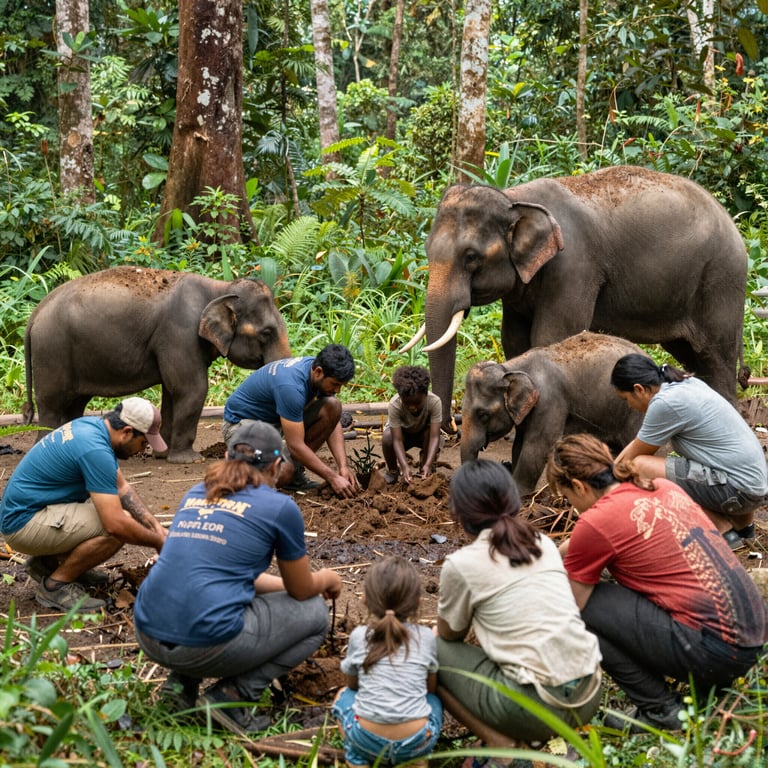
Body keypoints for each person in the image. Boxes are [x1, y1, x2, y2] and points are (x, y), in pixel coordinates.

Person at [133, 420, 342, 737]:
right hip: (203, 644)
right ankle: (233, 698)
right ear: (276, 465)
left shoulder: (197, 492)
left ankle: (179, 688)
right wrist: (325, 578)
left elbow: (227, 574)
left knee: (200, 591)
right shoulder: (279, 506)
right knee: (314, 614)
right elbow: (302, 591)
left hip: (149, 630)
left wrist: (284, 586)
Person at [547, 433, 767, 732]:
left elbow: (569, 608)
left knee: (578, 607)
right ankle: (707, 692)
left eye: (568, 498)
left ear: (578, 486)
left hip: (718, 652)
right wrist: (551, 552)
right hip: (752, 637)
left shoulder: (595, 522)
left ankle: (660, 709)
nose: (572, 506)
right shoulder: (661, 486)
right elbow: (605, 532)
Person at [436, 460, 602, 747]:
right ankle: (554, 740)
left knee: (428, 648)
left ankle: (502, 745)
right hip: (588, 696)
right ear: (513, 501)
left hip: (533, 708)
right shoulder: (543, 543)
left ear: (459, 513)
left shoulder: (461, 565)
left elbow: (450, 636)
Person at [0, 397, 168, 612]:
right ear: (126, 432)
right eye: (143, 443)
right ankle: (55, 585)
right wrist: (157, 542)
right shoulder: (94, 449)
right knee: (119, 526)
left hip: (31, 511)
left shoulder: (93, 428)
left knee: (113, 511)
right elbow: (115, 524)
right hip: (23, 524)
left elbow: (121, 488)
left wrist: (157, 529)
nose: (142, 450)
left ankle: (48, 564)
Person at [611, 354, 768, 551]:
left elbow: (635, 454)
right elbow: (639, 441)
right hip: (754, 485)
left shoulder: (665, 403)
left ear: (639, 389)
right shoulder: (683, 382)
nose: (629, 406)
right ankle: (743, 529)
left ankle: (720, 529)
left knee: (639, 467)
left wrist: (605, 481)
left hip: (740, 492)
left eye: (626, 399)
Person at [332, 556, 442, 767]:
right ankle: (416, 761)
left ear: (364, 599)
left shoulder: (359, 636)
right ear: (419, 602)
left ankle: (358, 758)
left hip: (366, 738)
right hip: (417, 740)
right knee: (435, 701)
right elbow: (431, 688)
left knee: (342, 696)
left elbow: (353, 686)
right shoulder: (426, 637)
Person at [223, 344, 359, 498]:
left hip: (273, 422)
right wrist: (332, 477)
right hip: (241, 426)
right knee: (284, 470)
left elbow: (333, 424)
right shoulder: (291, 386)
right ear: (319, 372)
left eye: (341, 386)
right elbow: (295, 446)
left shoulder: (317, 370)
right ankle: (251, 491)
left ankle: (293, 476)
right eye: (335, 384)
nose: (337, 390)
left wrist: (343, 467)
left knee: (332, 406)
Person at [381, 366, 442, 484]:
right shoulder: (395, 404)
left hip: (424, 436)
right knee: (387, 437)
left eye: (417, 403)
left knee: (430, 433)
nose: (412, 407)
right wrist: (404, 466)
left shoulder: (434, 402)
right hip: (403, 437)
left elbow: (435, 437)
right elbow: (397, 440)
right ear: (400, 396)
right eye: (407, 403)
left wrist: (428, 464)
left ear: (425, 394)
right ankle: (393, 471)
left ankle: (424, 468)